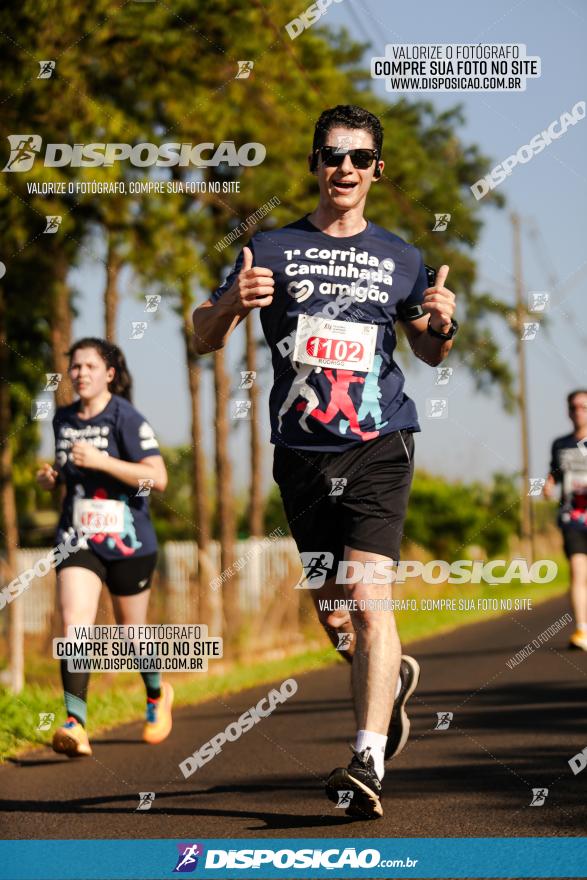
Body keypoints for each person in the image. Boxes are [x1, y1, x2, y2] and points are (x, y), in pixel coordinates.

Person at [193, 105, 457, 819]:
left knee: (369, 601)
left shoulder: (401, 256)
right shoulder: (270, 247)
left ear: (377, 169)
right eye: (332, 155)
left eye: (359, 157)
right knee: (333, 613)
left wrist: (441, 323)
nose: (345, 168)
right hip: (299, 454)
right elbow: (200, 334)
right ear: (314, 164)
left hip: (379, 443)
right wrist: (228, 309)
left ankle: (366, 758)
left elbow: (429, 351)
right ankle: (386, 672)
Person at [36, 338, 173, 757]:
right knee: (75, 623)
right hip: (77, 538)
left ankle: (156, 694)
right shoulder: (62, 418)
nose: (80, 373)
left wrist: (103, 462)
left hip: (129, 540)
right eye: (75, 367)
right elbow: (66, 467)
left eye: (89, 366)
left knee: (132, 635)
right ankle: (75, 722)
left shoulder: (126, 418)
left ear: (109, 373)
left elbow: (158, 478)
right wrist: (52, 478)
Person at [544, 390, 587, 650]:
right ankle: (582, 630)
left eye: (584, 406)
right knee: (578, 572)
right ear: (568, 411)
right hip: (573, 518)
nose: (579, 411)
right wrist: (549, 484)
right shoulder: (560, 444)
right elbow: (554, 474)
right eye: (574, 407)